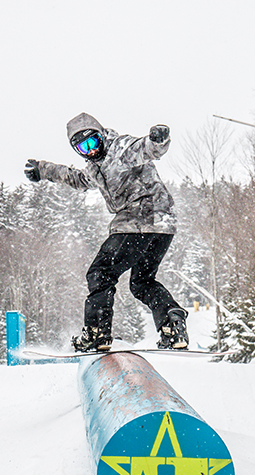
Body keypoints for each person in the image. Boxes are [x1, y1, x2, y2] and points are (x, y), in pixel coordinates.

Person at [24, 112, 189, 352]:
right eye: (82, 148)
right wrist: (43, 169)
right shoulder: (95, 167)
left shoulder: (120, 149)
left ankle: (96, 333)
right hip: (163, 225)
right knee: (142, 283)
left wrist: (157, 140)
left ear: (101, 135)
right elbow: (77, 179)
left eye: (93, 142)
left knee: (100, 273)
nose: (90, 150)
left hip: (139, 219)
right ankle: (171, 324)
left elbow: (145, 148)